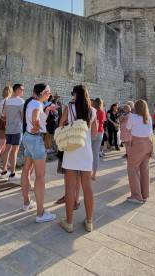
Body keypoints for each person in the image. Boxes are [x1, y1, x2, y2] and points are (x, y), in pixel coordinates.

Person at [60, 84, 97, 233]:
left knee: (69, 187)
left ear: (75, 94)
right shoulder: (93, 111)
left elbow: (60, 124)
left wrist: (69, 128)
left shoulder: (69, 108)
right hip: (85, 151)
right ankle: (89, 221)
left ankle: (69, 222)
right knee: (87, 187)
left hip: (71, 150)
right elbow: (94, 132)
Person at [20, 83, 56, 223]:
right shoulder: (37, 105)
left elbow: (38, 118)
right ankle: (40, 213)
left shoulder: (32, 102)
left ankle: (27, 203)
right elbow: (36, 119)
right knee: (40, 177)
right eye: (48, 92)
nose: (49, 94)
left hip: (28, 137)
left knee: (26, 171)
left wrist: (46, 112)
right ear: (41, 93)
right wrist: (37, 126)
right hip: (35, 140)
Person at [56, 92, 81, 211]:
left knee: (68, 173)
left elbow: (61, 124)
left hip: (69, 142)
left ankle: (71, 197)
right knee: (78, 174)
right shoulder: (89, 108)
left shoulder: (70, 106)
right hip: (82, 144)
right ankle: (75, 199)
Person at [126, 99, 153, 204]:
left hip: (138, 143)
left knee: (132, 169)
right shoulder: (148, 117)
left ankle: (137, 196)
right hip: (148, 143)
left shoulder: (133, 117)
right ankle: (144, 193)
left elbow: (128, 129)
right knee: (144, 169)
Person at [1, 83, 25, 183]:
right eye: (22, 89)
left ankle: (4, 171)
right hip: (17, 129)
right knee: (14, 151)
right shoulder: (20, 101)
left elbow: (3, 115)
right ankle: (13, 173)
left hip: (8, 128)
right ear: (17, 90)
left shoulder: (8, 101)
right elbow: (23, 115)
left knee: (7, 149)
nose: (23, 91)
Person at [92, 97, 106, 180]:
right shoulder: (103, 112)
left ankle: (88, 171)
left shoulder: (93, 111)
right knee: (96, 154)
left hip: (93, 132)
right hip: (100, 132)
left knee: (89, 153)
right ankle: (94, 173)